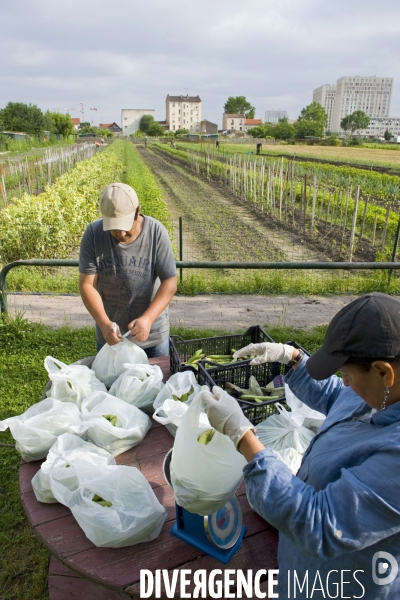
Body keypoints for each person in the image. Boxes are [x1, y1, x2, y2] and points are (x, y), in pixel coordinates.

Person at [202, 292, 400, 598]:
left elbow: (320, 522)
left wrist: (243, 435)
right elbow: (341, 399)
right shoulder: (380, 394)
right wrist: (292, 359)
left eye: (346, 374)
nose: (343, 382)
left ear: (383, 372)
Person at [79, 182, 177, 357]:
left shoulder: (156, 233)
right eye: (114, 229)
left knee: (156, 382)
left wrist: (148, 319)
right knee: (113, 384)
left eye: (125, 227)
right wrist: (103, 324)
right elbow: (87, 285)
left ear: (137, 211)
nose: (121, 234)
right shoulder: (93, 234)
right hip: (111, 336)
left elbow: (170, 281)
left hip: (152, 337)